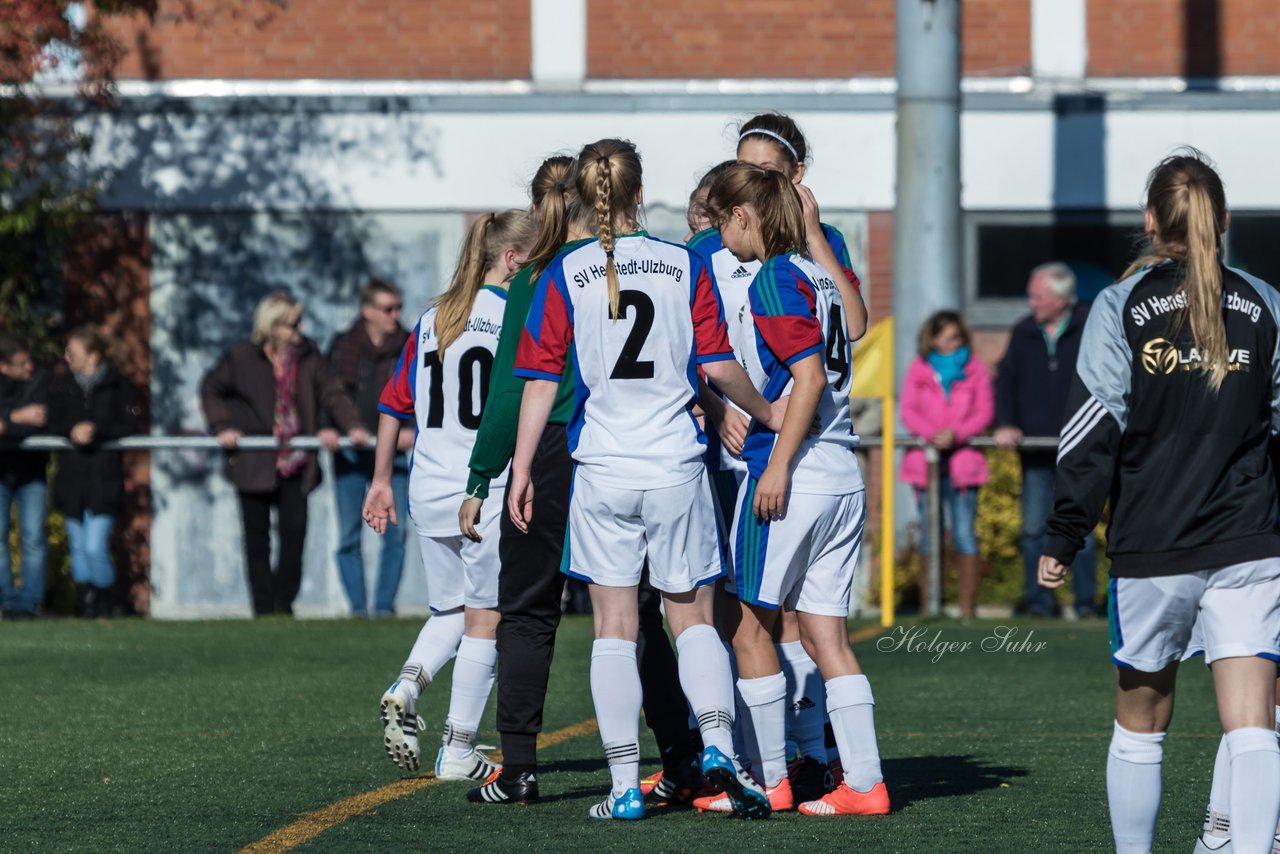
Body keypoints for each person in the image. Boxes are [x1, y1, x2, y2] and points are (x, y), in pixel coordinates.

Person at [510, 139, 785, 821]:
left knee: (614, 626)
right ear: (639, 191)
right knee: (690, 618)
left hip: (603, 468)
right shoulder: (679, 262)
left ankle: (624, 785)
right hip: (675, 467)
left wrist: (519, 470)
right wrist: (768, 409)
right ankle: (718, 744)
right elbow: (718, 365)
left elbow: (540, 384)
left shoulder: (564, 271)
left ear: (582, 193)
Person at [1039, 150, 1280, 854]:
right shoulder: (1266, 303)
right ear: (1223, 220)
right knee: (1254, 722)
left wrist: (1063, 534)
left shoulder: (1119, 306)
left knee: (1140, 723)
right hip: (1251, 542)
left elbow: (1093, 431)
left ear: (1151, 221)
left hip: (1153, 545)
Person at [461, 157, 706, 808]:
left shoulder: (544, 277)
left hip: (560, 448)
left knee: (529, 612)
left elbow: (515, 390)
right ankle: (683, 755)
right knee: (651, 616)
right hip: (643, 452)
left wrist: (489, 471)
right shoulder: (665, 260)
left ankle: (519, 767)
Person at [695, 161, 888, 818]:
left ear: (744, 217)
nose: (718, 230)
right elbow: (846, 337)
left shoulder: (775, 277)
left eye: (722, 218)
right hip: (841, 472)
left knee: (747, 624)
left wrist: (775, 465)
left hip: (795, 472)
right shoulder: (815, 276)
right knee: (825, 634)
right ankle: (865, 781)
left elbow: (805, 378)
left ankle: (770, 779)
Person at [365, 209, 534, 782]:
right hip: (480, 487)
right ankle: (459, 749)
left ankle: (407, 684)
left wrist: (381, 479)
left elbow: (392, 404)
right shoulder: (514, 315)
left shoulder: (434, 317)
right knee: (485, 618)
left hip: (426, 485)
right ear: (511, 259)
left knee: (451, 611)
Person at [200, 292, 370, 616]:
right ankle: (264, 610)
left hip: (297, 463)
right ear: (273, 327)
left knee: (294, 538)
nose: (299, 329)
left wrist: (353, 427)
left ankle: (283, 604)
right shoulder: (240, 358)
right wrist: (223, 426)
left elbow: (332, 393)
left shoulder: (309, 356)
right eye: (293, 324)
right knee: (257, 540)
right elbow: (211, 389)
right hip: (253, 462)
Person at [994, 262, 1097, 618]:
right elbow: (1004, 381)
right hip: (1036, 451)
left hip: (1081, 450)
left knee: (1079, 528)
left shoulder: (1091, 328)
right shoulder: (1024, 331)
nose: (1031, 302)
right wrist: (1005, 422)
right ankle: (1040, 602)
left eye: (1037, 296)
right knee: (1034, 529)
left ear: (1060, 299)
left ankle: (1086, 604)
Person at [900, 311, 994, 618]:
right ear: (932, 338)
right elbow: (908, 411)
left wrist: (957, 434)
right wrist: (933, 435)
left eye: (956, 336)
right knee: (929, 533)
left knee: (965, 532)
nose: (951, 342)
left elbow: (984, 412)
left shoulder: (975, 369)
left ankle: (967, 608)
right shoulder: (919, 368)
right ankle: (931, 604)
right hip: (926, 462)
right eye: (945, 336)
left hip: (964, 463)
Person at [327, 278, 412, 617]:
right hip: (351, 450)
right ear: (367, 310)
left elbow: (420, 392)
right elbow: (329, 392)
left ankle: (383, 609)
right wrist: (329, 427)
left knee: (395, 533)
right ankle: (358, 612)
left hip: (395, 453)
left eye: (398, 308)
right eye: (388, 308)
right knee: (349, 534)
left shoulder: (409, 345)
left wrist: (412, 431)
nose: (395, 315)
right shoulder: (343, 345)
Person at [47, 328, 139, 618]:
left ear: (93, 356)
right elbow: (53, 421)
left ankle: (109, 601)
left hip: (103, 478)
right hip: (72, 479)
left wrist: (98, 432)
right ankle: (86, 604)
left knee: (94, 545)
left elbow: (130, 424)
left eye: (72, 352)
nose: (66, 357)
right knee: (78, 546)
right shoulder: (63, 387)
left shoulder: (118, 386)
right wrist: (70, 429)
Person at [0, 335, 49, 619]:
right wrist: (19, 416)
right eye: (22, 363)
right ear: (3, 367)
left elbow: (41, 422)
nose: (30, 366)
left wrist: (7, 422)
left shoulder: (39, 378)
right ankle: (6, 601)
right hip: (1, 472)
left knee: (33, 538)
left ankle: (29, 603)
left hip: (32, 472)